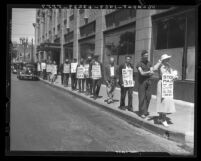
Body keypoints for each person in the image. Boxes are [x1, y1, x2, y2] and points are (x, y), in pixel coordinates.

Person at [136, 50, 162, 119]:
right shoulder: (139, 64)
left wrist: (148, 72)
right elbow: (141, 73)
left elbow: (152, 72)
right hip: (142, 82)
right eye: (145, 55)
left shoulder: (149, 63)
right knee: (142, 97)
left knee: (148, 96)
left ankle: (145, 111)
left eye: (147, 55)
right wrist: (149, 72)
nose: (147, 56)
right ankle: (141, 112)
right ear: (142, 56)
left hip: (148, 81)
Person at [154, 54, 178, 127]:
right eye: (167, 59)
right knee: (162, 101)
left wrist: (175, 77)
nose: (168, 60)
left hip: (168, 85)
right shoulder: (160, 66)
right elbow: (154, 69)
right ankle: (163, 119)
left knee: (166, 101)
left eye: (168, 59)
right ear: (163, 60)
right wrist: (159, 62)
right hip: (161, 84)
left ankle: (161, 118)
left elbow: (171, 75)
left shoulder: (169, 66)